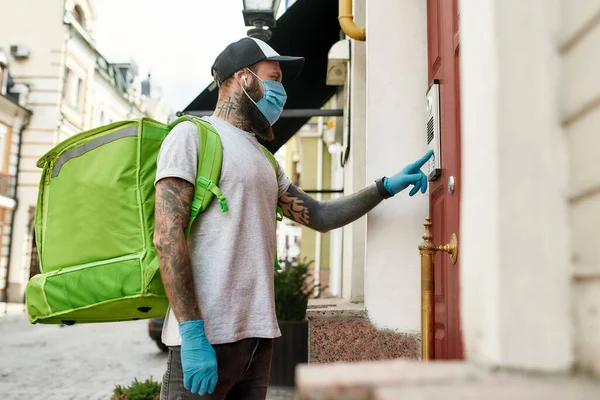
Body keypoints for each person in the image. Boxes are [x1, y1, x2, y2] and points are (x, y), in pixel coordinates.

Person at [153, 37, 433, 400]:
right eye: (274, 77)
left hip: (257, 342)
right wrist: (191, 332)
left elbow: (318, 215)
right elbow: (167, 235)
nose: (281, 91)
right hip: (207, 339)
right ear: (243, 77)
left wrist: (383, 188)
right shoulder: (189, 136)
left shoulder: (264, 159)